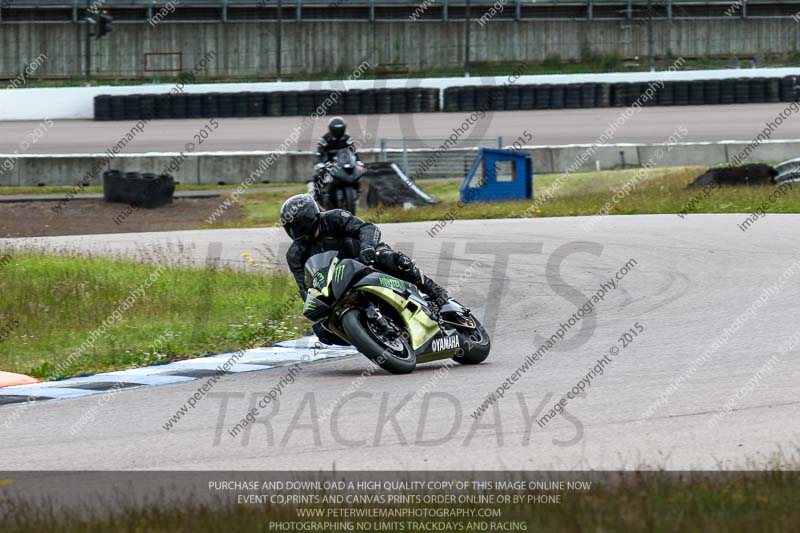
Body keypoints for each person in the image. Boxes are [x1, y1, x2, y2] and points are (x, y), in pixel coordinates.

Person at [280, 194, 449, 344]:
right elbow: (305, 287)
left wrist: (367, 247)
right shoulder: (295, 254)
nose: (297, 230)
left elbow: (368, 228)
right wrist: (316, 308)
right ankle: (368, 335)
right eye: (292, 227)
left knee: (393, 259)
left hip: (365, 258)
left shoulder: (334, 217)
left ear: (310, 215)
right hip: (336, 283)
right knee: (323, 330)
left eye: (299, 224)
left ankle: (432, 289)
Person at [312, 117, 361, 200]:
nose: (338, 132)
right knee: (318, 175)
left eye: (340, 130)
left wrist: (358, 161)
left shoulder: (347, 138)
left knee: (357, 173)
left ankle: (357, 190)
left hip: (345, 163)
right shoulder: (324, 139)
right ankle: (317, 195)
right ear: (331, 129)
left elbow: (354, 151)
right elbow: (319, 153)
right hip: (329, 163)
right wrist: (319, 163)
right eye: (336, 130)